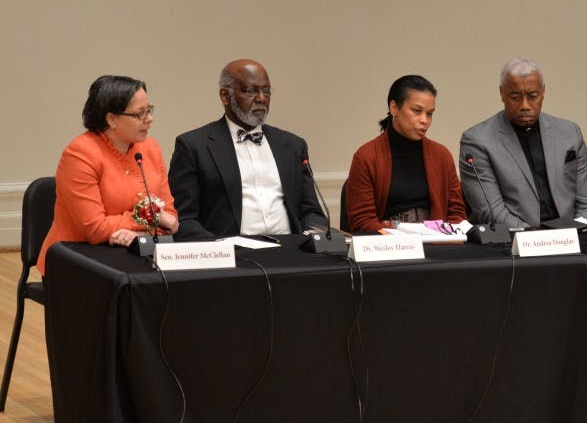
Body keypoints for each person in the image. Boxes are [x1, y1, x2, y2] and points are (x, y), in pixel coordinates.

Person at [168, 59, 327, 240]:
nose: (261, 98)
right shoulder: (194, 146)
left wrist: (312, 239)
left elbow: (311, 211)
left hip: (290, 250)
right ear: (225, 96)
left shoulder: (292, 145)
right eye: (251, 91)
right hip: (233, 256)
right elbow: (184, 219)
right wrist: (220, 249)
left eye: (266, 91)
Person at [38, 76, 179, 274]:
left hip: (137, 254)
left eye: (149, 110)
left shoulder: (150, 149)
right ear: (111, 119)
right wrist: (151, 217)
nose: (149, 119)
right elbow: (95, 229)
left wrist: (137, 235)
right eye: (139, 114)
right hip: (76, 261)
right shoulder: (80, 154)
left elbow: (170, 217)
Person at [459, 57, 587, 229]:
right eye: (515, 97)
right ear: (502, 93)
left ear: (543, 92)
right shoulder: (477, 140)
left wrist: (580, 231)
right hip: (514, 243)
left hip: (573, 238)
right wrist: (537, 239)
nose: (525, 105)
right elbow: (492, 212)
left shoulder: (569, 133)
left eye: (532, 96)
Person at [346, 75, 466, 232]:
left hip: (437, 244)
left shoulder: (441, 156)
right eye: (417, 111)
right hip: (390, 246)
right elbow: (362, 222)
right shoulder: (367, 157)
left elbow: (457, 214)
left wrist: (442, 234)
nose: (425, 120)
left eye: (430, 113)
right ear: (394, 108)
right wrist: (407, 232)